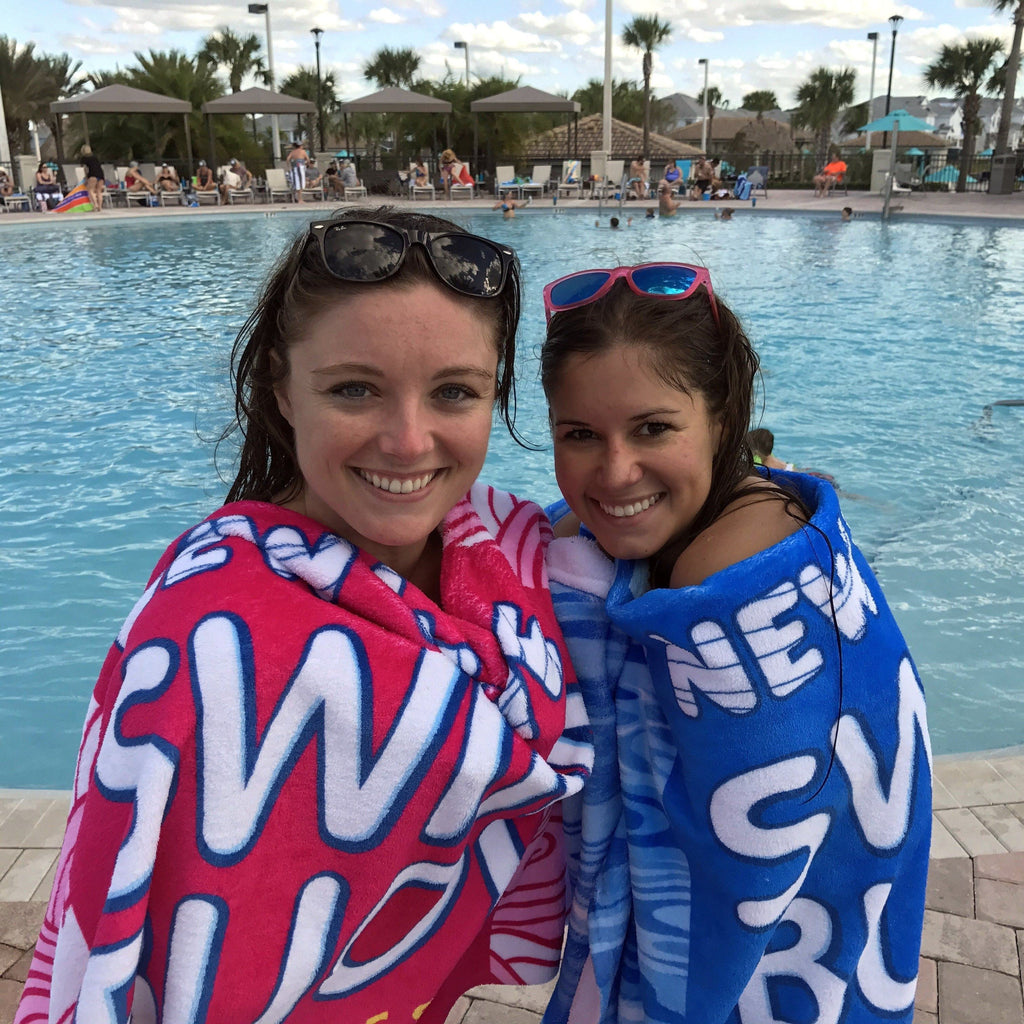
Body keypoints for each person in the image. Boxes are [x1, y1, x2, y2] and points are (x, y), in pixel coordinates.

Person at [13, 207, 592, 1024]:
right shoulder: (204, 638)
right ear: (283, 389)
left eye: (454, 392)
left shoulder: (505, 544)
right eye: (354, 389)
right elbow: (118, 916)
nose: (408, 441)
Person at [538, 261, 932, 1023]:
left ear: (723, 419)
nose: (615, 471)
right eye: (579, 434)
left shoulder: (722, 575)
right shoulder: (771, 499)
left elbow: (734, 874)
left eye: (653, 428)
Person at [80, 145, 106, 212]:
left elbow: (85, 169)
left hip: (92, 174)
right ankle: (100, 207)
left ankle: (95, 205)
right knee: (99, 191)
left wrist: (86, 178)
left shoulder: (84, 158)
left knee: (90, 190)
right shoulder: (95, 157)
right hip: (100, 174)